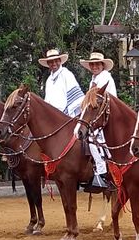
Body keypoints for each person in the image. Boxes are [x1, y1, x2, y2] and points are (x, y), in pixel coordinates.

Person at [79, 52, 117, 189]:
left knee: (94, 141)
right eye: (92, 64)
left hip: (106, 114)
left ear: (102, 65)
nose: (94, 66)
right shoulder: (94, 79)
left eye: (97, 64)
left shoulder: (105, 78)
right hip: (98, 113)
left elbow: (97, 101)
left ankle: (102, 173)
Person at [38, 49, 84, 118]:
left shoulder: (66, 74)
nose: (54, 63)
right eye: (51, 62)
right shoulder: (49, 80)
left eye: (56, 61)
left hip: (65, 116)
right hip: (52, 116)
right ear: (48, 64)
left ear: (60, 61)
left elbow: (76, 97)